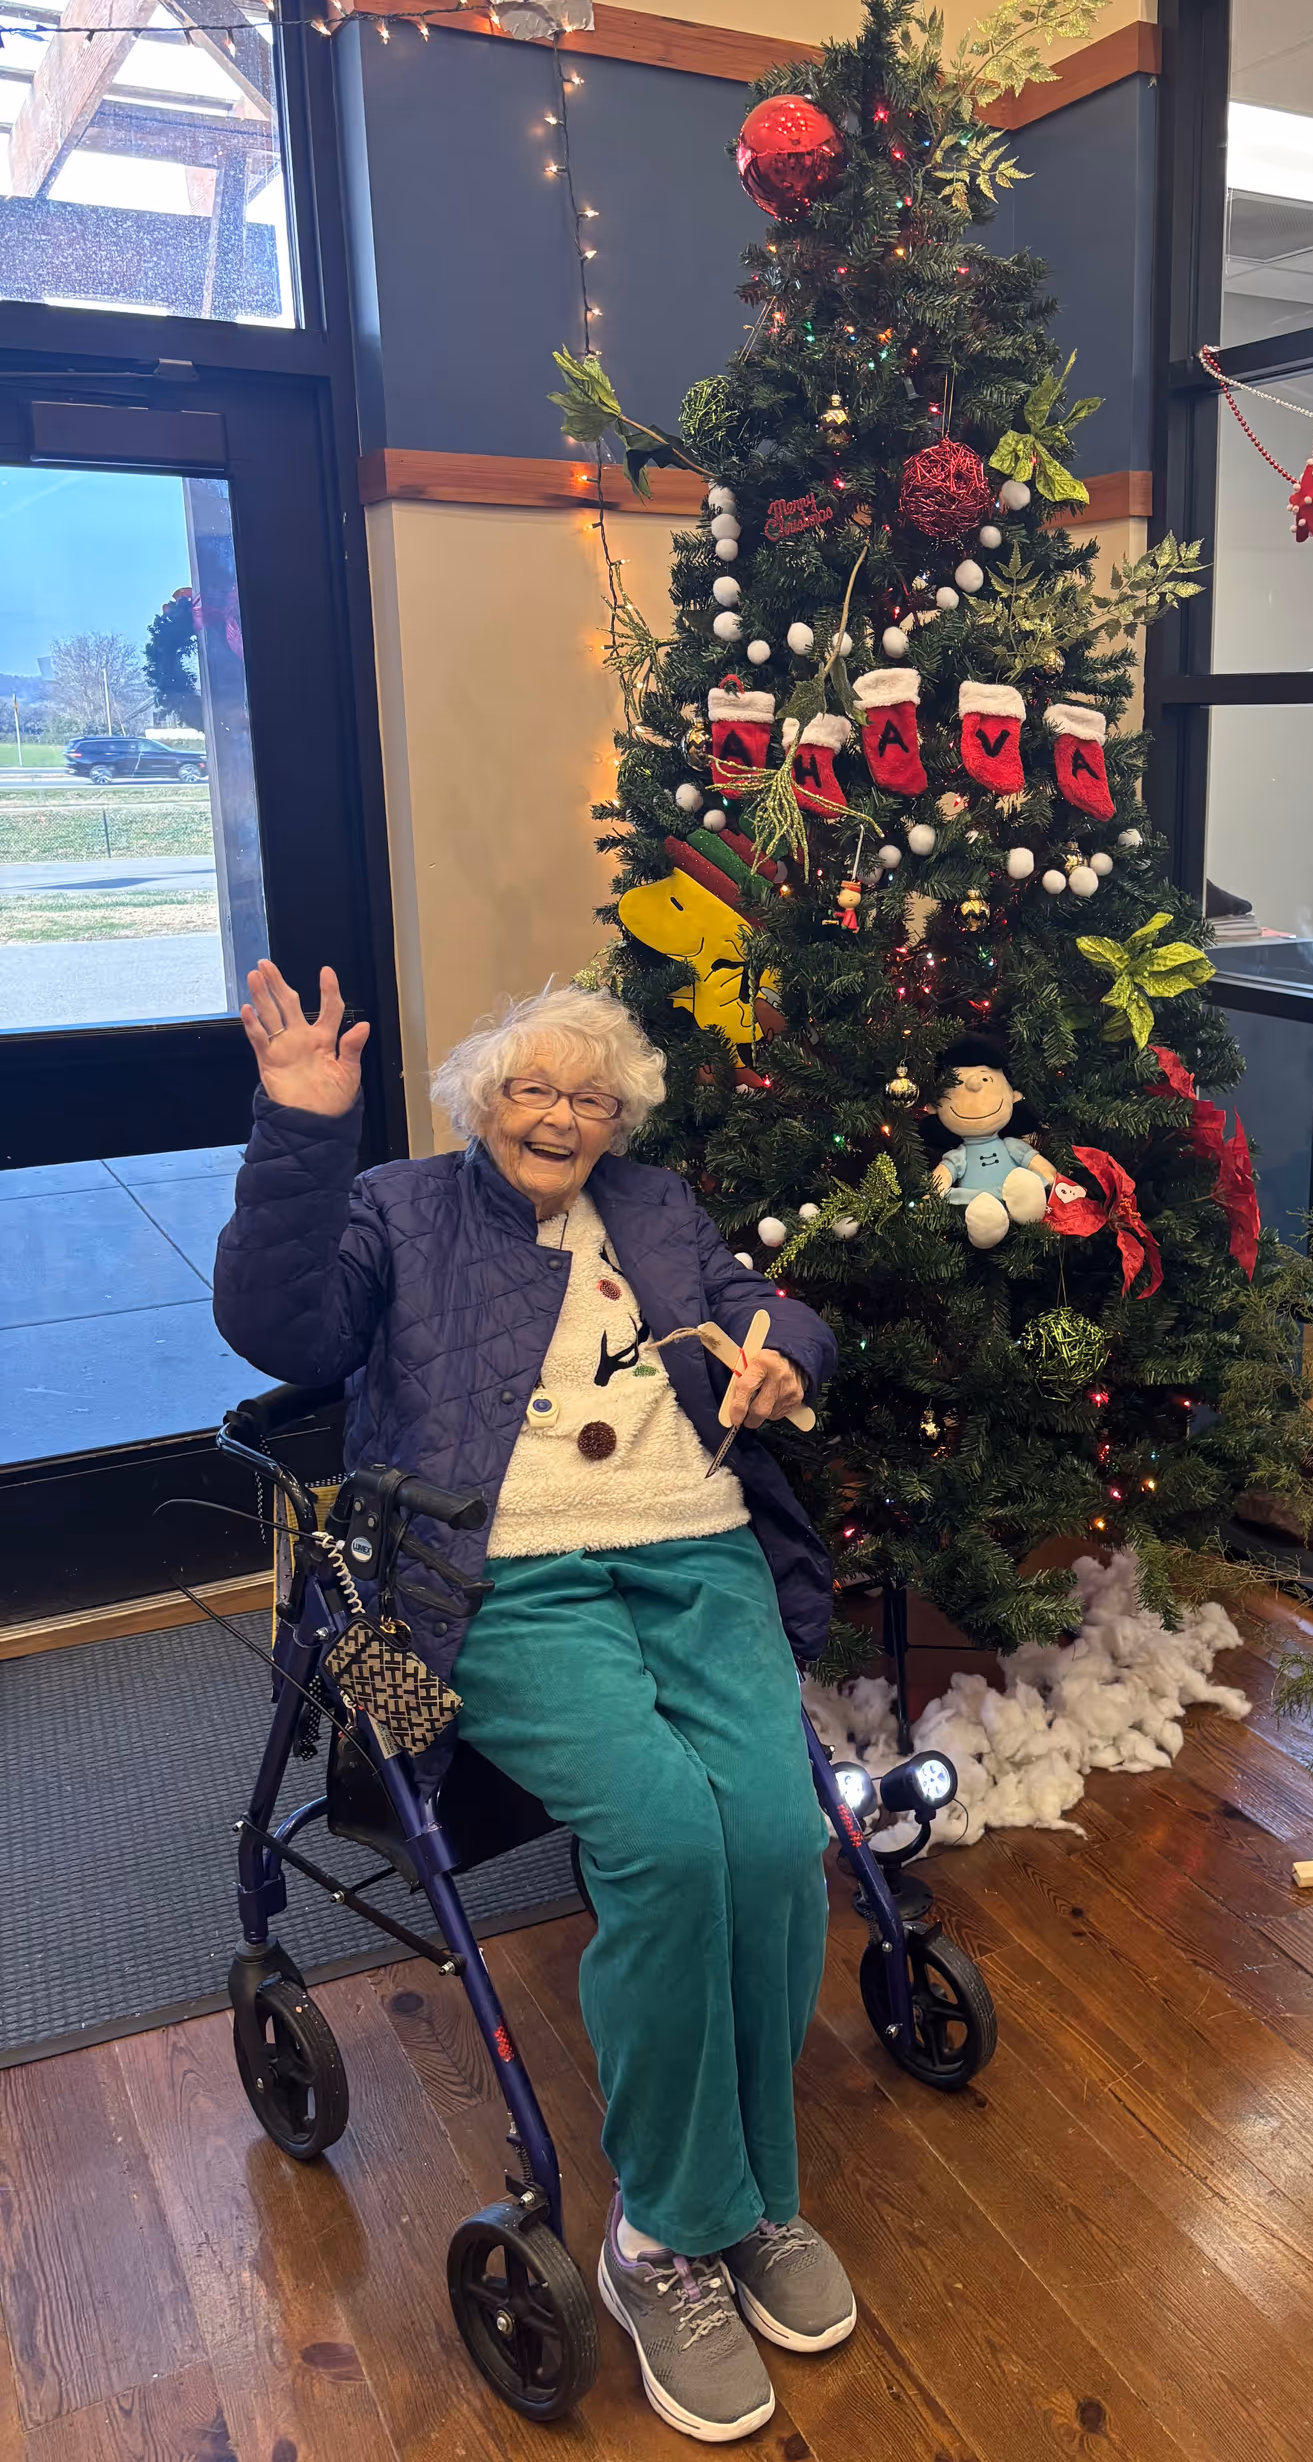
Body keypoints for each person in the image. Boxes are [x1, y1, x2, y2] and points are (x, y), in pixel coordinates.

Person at [212, 959, 850, 2446]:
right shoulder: (396, 1209)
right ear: (478, 1102)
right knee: (665, 1844)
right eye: (531, 1088)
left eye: (589, 1096)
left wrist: (780, 1355)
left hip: (696, 1551)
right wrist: (302, 1130)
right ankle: (662, 2242)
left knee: (770, 1834)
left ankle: (755, 2203)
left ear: (619, 1119)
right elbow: (283, 1333)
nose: (560, 1115)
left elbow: (768, 1306)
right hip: (507, 1574)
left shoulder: (660, 1205)